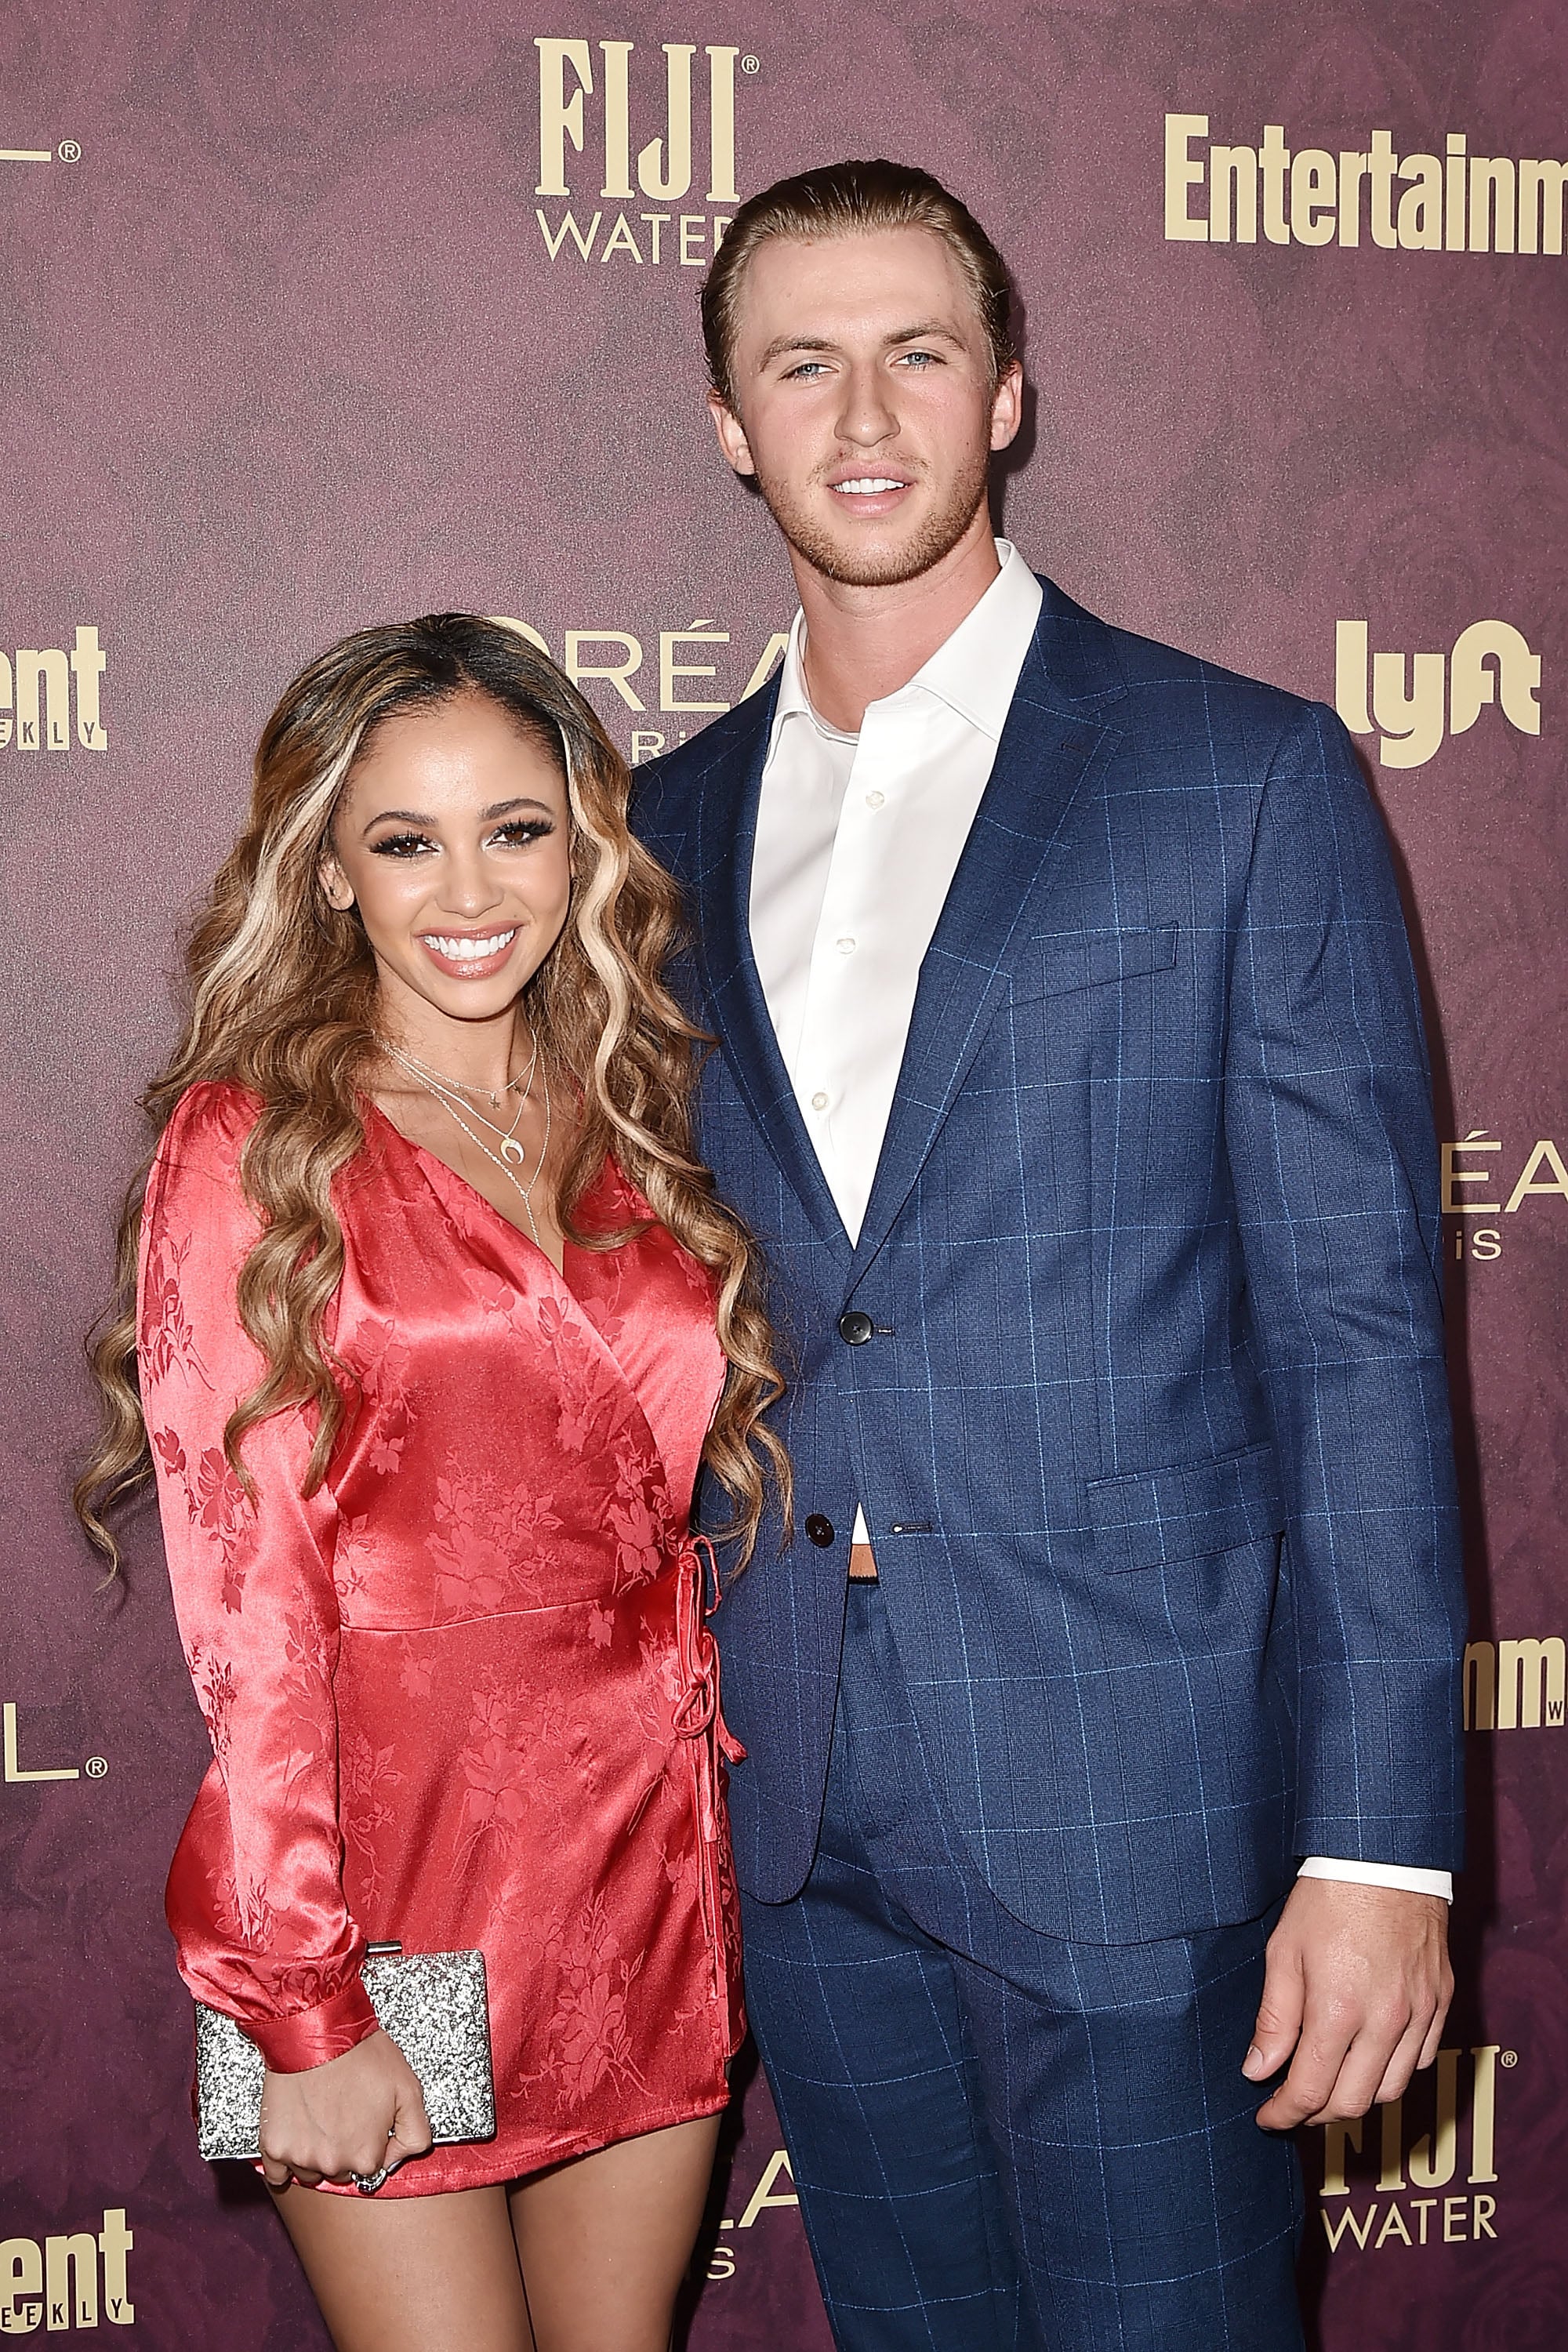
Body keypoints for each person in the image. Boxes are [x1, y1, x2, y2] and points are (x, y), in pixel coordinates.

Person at [633, 161, 1466, 2350]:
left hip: (1141, 1796)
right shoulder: (650, 832)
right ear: (730, 424)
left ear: (1010, 389)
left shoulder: (1244, 776)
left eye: (920, 349)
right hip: (795, 1795)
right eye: (800, 363)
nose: (866, 410)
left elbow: (1364, 1346)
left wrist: (1382, 1849)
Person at [75, 615, 788, 2352]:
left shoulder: (634, 1107)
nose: (469, 888)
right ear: (329, 870)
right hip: (378, 1906)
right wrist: (299, 2006)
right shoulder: (256, 1140)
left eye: (516, 829)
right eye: (404, 840)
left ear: (581, 843)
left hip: (635, 1876)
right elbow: (251, 1616)